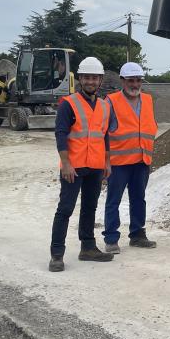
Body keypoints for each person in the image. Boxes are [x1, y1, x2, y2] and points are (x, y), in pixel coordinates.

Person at [48, 56, 116, 272]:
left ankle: (88, 248)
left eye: (95, 78)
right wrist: (65, 163)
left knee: (90, 207)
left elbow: (104, 135)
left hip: (95, 166)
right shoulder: (69, 103)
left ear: (101, 80)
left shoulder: (105, 106)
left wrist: (107, 161)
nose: (91, 81)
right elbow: (60, 134)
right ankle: (56, 255)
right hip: (74, 166)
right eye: (87, 77)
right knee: (65, 209)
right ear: (80, 79)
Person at [102, 62, 157, 253]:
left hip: (142, 159)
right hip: (118, 162)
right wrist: (105, 160)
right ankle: (111, 238)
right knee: (113, 200)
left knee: (139, 198)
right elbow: (103, 132)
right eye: (131, 80)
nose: (135, 84)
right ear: (122, 81)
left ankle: (137, 235)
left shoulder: (148, 100)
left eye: (138, 80)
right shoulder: (110, 101)